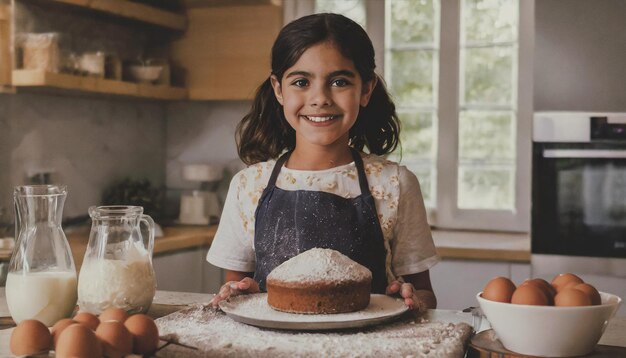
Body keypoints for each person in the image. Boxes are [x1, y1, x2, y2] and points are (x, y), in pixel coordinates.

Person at [207, 13, 439, 314]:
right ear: (279, 89)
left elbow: (426, 295)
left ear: (366, 90)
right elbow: (235, 293)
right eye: (301, 82)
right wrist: (240, 294)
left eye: (339, 82)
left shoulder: (394, 184)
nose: (320, 98)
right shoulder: (248, 186)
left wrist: (412, 300)